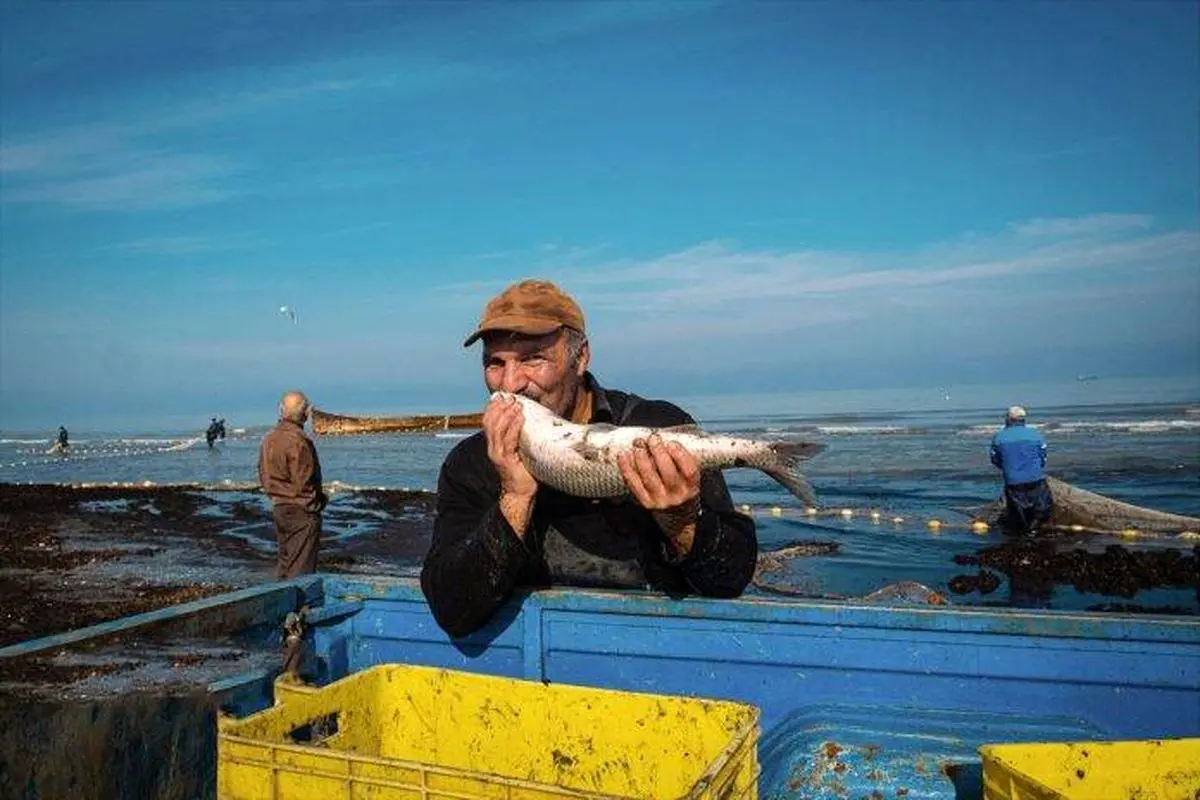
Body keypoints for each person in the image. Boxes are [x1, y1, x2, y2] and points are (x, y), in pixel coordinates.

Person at [420, 279, 759, 638]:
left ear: (580, 357)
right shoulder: (473, 462)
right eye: (494, 364)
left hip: (658, 643)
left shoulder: (653, 429)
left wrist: (682, 520)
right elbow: (452, 611)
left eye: (533, 359)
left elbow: (731, 579)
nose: (510, 383)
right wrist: (515, 499)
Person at [257, 391, 328, 579]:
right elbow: (305, 481)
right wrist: (316, 504)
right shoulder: (299, 440)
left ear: (281, 411)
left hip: (279, 506)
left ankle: (282, 605)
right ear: (306, 412)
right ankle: (299, 607)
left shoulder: (269, 439)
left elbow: (264, 475)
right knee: (301, 571)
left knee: (285, 565)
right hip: (301, 510)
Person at [990, 405, 1053, 535]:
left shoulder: (999, 437)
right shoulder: (1036, 435)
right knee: (1043, 506)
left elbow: (995, 460)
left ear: (1008, 419)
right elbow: (1043, 457)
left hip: (1013, 481)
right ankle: (1034, 529)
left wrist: (1009, 469)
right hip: (1035, 478)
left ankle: (1024, 533)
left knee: (1018, 512)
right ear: (1023, 420)